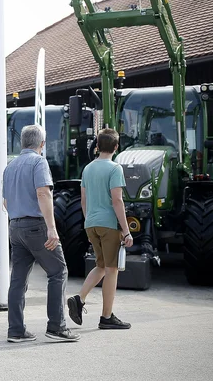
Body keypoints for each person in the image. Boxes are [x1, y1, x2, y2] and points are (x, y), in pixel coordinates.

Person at [3, 124, 79, 343]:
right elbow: (43, 193)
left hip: (15, 227)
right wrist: (51, 228)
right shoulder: (39, 162)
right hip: (36, 227)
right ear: (42, 144)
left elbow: (6, 202)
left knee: (18, 280)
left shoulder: (10, 166)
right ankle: (57, 326)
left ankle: (16, 330)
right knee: (58, 271)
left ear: (22, 143)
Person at [67, 128, 133, 330]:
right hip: (108, 224)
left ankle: (80, 298)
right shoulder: (115, 169)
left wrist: (90, 223)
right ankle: (106, 316)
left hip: (92, 223)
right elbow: (117, 201)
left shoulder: (87, 168)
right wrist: (126, 230)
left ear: (97, 146)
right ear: (116, 147)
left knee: (102, 266)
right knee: (112, 269)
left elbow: (84, 200)